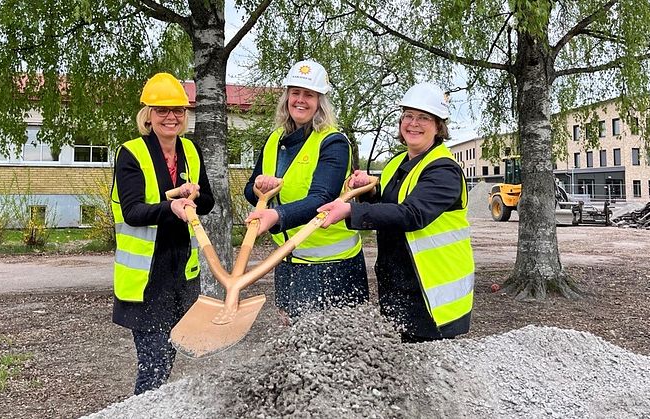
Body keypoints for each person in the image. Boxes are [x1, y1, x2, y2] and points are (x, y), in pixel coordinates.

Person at [318, 82, 475, 343]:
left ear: (438, 127)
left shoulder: (444, 170)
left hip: (431, 294)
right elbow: (387, 204)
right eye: (408, 116)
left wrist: (350, 211)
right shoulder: (397, 163)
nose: (414, 123)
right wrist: (366, 191)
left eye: (424, 118)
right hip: (399, 283)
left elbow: (411, 215)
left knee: (429, 372)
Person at [110, 72, 214, 394]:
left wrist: (194, 195)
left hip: (181, 274)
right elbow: (133, 212)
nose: (171, 117)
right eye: (162, 110)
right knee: (153, 363)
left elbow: (208, 201)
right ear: (148, 115)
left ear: (185, 115)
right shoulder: (131, 154)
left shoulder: (191, 151)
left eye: (178, 111)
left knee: (165, 360)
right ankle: (140, 412)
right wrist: (170, 208)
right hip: (147, 278)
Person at [243, 59, 369, 322]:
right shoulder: (275, 139)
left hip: (332, 266)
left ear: (320, 101)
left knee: (335, 347)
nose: (300, 100)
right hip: (289, 260)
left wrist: (275, 217)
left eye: (309, 94)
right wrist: (258, 188)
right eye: (295, 93)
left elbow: (321, 198)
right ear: (287, 96)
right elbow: (250, 188)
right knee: (295, 340)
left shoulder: (333, 142)